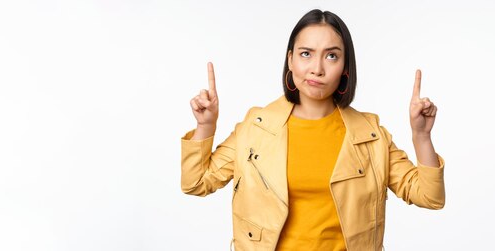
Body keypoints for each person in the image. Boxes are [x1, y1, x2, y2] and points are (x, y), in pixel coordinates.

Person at [180, 9, 445, 251]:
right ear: (291, 59)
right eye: (306, 53)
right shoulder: (256, 127)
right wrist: (206, 125)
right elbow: (196, 182)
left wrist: (421, 136)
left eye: (331, 56)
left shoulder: (370, 134)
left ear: (345, 67)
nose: (317, 69)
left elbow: (429, 197)